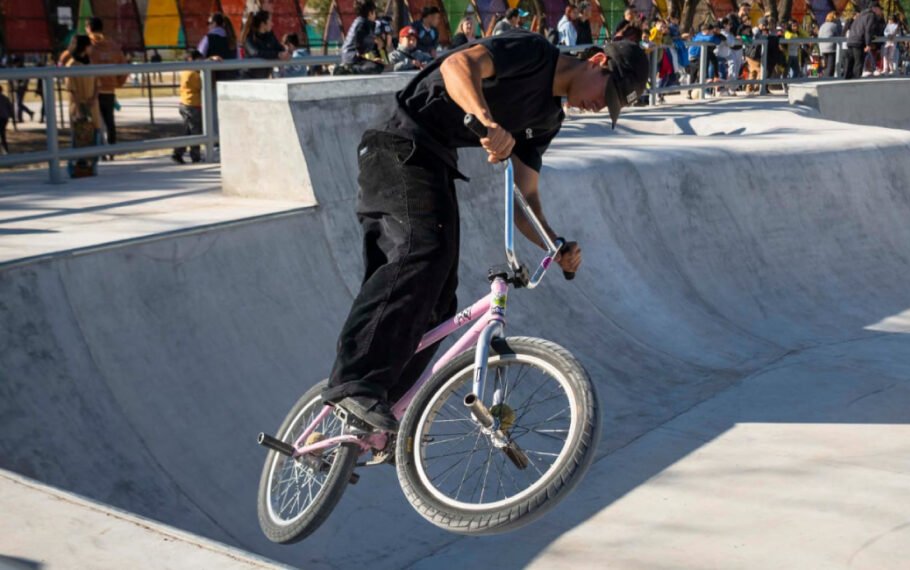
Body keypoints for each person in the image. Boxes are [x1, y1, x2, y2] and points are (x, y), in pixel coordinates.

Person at [320, 34, 649, 430]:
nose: (600, 106)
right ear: (597, 61)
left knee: (441, 300)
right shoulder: (533, 53)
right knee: (420, 250)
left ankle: (384, 410)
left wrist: (554, 244)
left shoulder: (547, 121)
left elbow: (525, 200)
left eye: (610, 106)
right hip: (398, 143)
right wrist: (487, 121)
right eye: (607, 93)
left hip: (435, 160)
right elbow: (458, 66)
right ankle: (355, 383)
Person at [84, 18, 128, 154]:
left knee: (95, 122)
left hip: (92, 91)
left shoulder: (87, 45)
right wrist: (118, 82)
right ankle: (112, 149)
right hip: (109, 90)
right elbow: (124, 67)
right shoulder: (113, 46)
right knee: (110, 121)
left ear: (88, 28)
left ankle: (98, 150)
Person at [65, 35, 102, 178]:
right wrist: (79, 109)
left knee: (95, 135)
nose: (91, 48)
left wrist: (93, 98)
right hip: (78, 106)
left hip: (93, 106)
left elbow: (97, 84)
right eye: (89, 45)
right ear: (83, 47)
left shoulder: (90, 63)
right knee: (78, 138)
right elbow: (71, 89)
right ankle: (74, 167)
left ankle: (91, 167)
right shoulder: (72, 65)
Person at [173, 50, 204, 164]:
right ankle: (195, 156)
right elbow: (202, 86)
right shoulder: (193, 74)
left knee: (187, 130)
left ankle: (178, 152)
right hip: (193, 105)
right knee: (195, 131)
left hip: (184, 103)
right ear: (191, 59)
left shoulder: (185, 71)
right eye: (199, 59)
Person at [240, 10, 290, 79]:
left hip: (263, 78)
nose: (272, 24)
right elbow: (256, 53)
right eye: (270, 21)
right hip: (248, 79)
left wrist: (284, 52)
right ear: (263, 24)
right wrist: (277, 54)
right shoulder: (249, 38)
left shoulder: (270, 35)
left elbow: (278, 47)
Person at [843, 0, 885, 79]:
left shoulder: (861, 15)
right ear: (875, 8)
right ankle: (856, 81)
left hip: (851, 40)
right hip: (858, 41)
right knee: (858, 62)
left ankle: (847, 80)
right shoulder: (871, 15)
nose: (881, 12)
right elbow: (868, 30)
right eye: (880, 9)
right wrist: (868, 44)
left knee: (851, 62)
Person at [341, 0, 385, 74]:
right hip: (353, 58)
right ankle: (348, 70)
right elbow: (361, 48)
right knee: (377, 67)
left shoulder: (360, 22)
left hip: (350, 56)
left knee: (378, 64)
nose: (375, 15)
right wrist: (373, 59)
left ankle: (347, 68)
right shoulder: (364, 25)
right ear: (370, 13)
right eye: (374, 12)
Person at [817, 11, 841, 77]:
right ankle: (829, 78)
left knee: (826, 66)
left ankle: (825, 77)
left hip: (822, 47)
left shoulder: (822, 25)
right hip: (831, 48)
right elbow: (839, 35)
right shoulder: (834, 25)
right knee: (831, 66)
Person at [0, 85, 12, 154]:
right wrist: (10, 115)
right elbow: (10, 107)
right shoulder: (5, 98)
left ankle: (4, 150)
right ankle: (5, 150)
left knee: (2, 134)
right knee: (2, 134)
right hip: (4, 118)